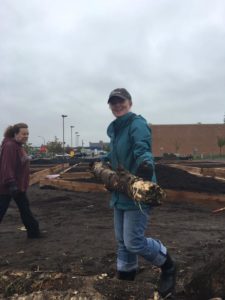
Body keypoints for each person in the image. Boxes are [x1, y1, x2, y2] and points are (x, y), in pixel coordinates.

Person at [104, 88, 176, 298]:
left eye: (121, 101)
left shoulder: (137, 123)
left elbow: (142, 147)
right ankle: (126, 274)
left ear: (130, 102)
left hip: (138, 191)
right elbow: (115, 154)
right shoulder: (116, 129)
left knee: (133, 241)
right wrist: (104, 163)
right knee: (122, 240)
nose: (117, 105)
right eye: (113, 102)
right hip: (120, 190)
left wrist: (145, 164)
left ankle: (168, 265)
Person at [0, 123, 41, 238]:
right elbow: (7, 166)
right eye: (23, 134)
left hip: (18, 186)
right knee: (1, 209)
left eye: (27, 134)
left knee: (25, 208)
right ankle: (34, 232)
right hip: (8, 187)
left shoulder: (18, 146)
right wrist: (11, 183)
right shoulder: (9, 146)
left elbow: (20, 161)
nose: (26, 136)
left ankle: (34, 232)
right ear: (15, 134)